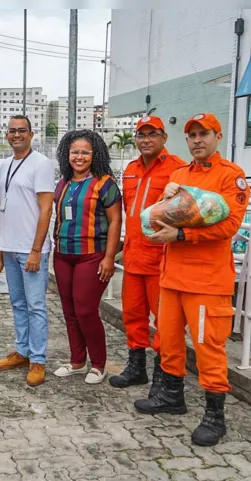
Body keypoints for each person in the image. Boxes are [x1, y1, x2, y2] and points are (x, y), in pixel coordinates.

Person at [134, 113, 249, 447]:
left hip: (207, 281)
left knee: (208, 348)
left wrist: (183, 234)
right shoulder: (179, 173)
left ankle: (215, 416)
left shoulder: (232, 176)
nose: (197, 140)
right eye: (192, 135)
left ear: (217, 136)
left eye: (204, 134)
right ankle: (171, 397)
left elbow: (229, 226)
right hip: (172, 276)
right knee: (168, 340)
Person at [108, 116, 184, 395]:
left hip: (162, 259)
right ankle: (136, 367)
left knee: (164, 321)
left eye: (152, 134)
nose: (146, 140)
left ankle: (163, 376)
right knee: (133, 314)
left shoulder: (178, 170)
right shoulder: (130, 169)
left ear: (164, 137)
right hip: (134, 256)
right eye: (141, 135)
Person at [51, 130, 122, 384]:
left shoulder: (105, 183)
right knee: (69, 311)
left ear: (95, 155)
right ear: (66, 154)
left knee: (85, 310)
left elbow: (115, 222)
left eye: (85, 152)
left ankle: (99, 364)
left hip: (92, 256)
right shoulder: (63, 183)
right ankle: (77, 361)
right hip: (63, 255)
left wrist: (109, 258)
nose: (79, 157)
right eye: (74, 152)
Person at [0, 115, 55, 387]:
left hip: (32, 250)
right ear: (7, 135)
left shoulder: (41, 164)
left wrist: (36, 249)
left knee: (36, 306)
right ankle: (22, 351)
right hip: (9, 247)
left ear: (31, 134)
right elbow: (1, 210)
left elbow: (46, 209)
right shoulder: (4, 165)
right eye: (12, 131)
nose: (16, 135)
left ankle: (38, 359)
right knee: (17, 303)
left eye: (22, 131)